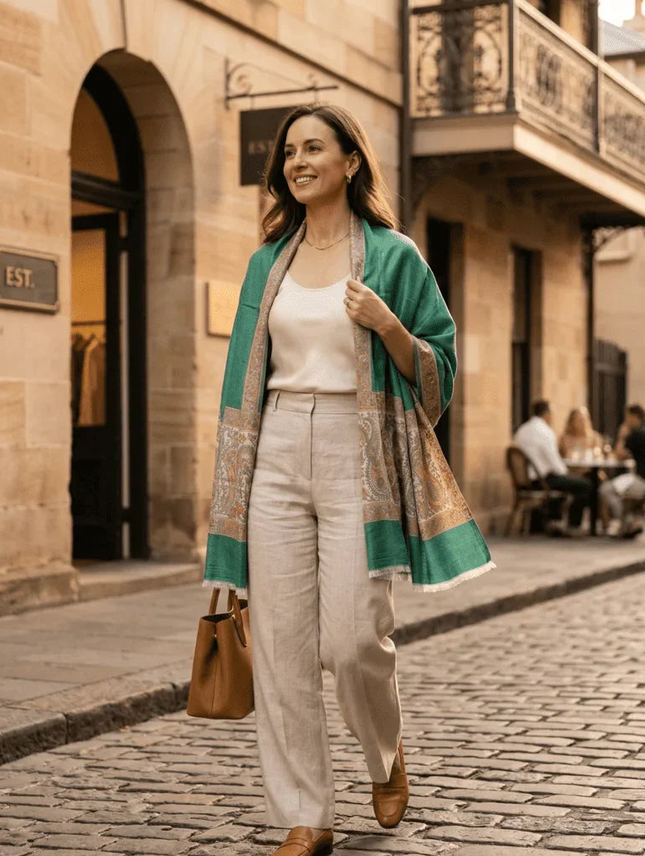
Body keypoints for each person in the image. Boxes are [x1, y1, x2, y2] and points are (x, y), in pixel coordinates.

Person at [201, 103, 494, 856]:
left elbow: (440, 370)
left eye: (314, 148)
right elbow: (241, 378)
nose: (298, 161)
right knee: (281, 644)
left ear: (350, 162)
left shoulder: (392, 256)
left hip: (353, 448)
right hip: (271, 453)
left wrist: (389, 325)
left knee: (355, 638)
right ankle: (307, 814)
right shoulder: (269, 261)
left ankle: (385, 755)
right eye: (289, 151)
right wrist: (228, 502)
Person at [514, 400, 592, 532]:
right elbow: (555, 464)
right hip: (542, 480)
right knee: (585, 485)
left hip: (524, 481)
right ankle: (573, 525)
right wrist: (567, 474)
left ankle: (552, 521)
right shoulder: (545, 431)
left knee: (566, 481)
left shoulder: (522, 430)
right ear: (547, 414)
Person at [599, 404, 645, 537]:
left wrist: (622, 435)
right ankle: (630, 522)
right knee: (624, 489)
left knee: (605, 490)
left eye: (627, 417)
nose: (626, 420)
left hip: (641, 480)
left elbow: (619, 454)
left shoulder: (636, 434)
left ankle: (621, 521)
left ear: (634, 417)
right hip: (638, 478)